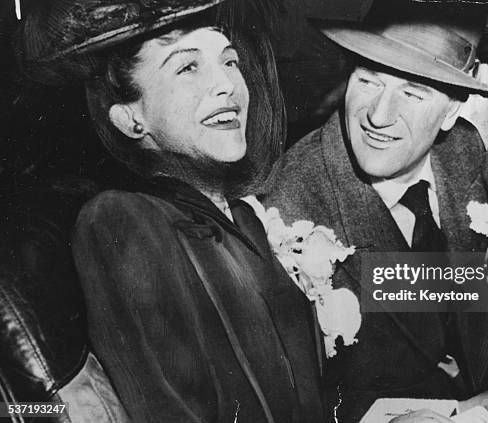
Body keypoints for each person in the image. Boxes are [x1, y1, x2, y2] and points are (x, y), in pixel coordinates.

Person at [263, 2, 488, 422]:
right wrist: (468, 410)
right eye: (369, 81)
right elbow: (293, 398)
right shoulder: (287, 215)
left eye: (412, 93)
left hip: (477, 349)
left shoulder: (459, 144)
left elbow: (472, 176)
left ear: (450, 112)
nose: (379, 116)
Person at [18, 1, 324, 422]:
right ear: (130, 119)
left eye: (230, 61)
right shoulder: (121, 221)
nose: (228, 85)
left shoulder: (245, 221)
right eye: (187, 68)